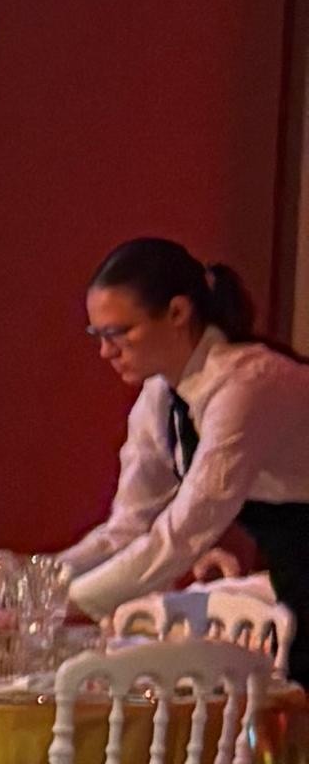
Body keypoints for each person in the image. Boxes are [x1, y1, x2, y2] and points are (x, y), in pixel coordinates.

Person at [61, 236, 309, 627]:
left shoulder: (247, 386)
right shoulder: (159, 394)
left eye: (118, 332)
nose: (106, 352)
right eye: (99, 336)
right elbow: (128, 528)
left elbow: (182, 535)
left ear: (177, 312)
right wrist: (38, 580)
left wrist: (60, 603)